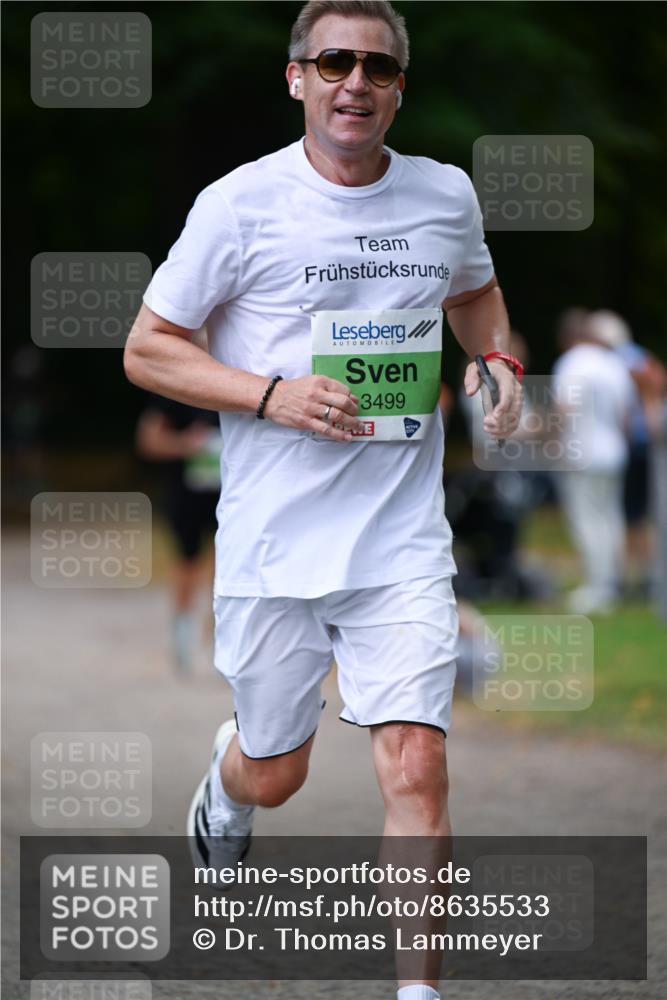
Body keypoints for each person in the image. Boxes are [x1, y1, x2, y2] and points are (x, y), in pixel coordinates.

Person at [124, 3, 522, 996]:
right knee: (278, 771)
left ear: (398, 90)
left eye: (377, 67)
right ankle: (230, 785)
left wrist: (498, 363)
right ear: (297, 77)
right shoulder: (239, 205)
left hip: (399, 540)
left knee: (416, 765)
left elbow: (474, 295)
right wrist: (270, 394)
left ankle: (417, 989)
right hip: (274, 545)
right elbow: (148, 347)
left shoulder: (444, 195)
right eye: (335, 61)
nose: (356, 80)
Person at [551, 308, 635, 614]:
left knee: (587, 520)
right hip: (614, 451)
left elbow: (565, 409)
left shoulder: (572, 363)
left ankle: (598, 587)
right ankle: (612, 581)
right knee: (611, 518)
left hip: (581, 451)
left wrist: (553, 442)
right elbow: (626, 416)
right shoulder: (614, 364)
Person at [136, 392, 220, 671]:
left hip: (229, 497)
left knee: (226, 570)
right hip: (186, 495)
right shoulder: (174, 394)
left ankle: (221, 644)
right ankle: (183, 643)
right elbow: (149, 440)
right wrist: (186, 444)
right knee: (187, 565)